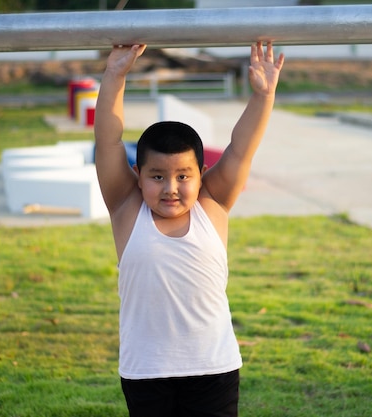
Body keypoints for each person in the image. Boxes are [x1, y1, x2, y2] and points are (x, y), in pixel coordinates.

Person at [94, 41, 284, 417]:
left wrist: (263, 96)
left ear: (202, 175)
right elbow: (108, 142)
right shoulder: (126, 208)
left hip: (213, 369)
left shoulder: (212, 205)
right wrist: (116, 74)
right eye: (157, 176)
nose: (170, 188)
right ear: (138, 175)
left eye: (183, 176)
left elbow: (241, 150)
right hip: (146, 373)